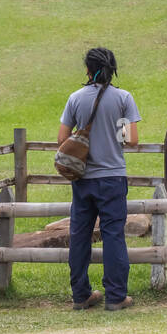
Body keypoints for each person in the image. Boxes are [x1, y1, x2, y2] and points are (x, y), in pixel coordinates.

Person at [58, 47, 141, 311]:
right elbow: (131, 139)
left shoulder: (75, 99)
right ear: (111, 68)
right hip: (113, 177)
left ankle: (80, 294)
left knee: (80, 234)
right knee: (114, 234)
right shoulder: (123, 98)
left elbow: (62, 139)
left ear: (87, 69)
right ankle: (116, 296)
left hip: (83, 178)